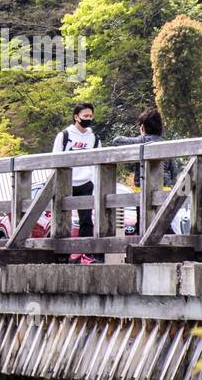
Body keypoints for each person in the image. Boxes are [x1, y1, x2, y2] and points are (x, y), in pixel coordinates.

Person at [53, 102, 101, 262]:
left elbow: (98, 162)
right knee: (62, 218)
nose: (88, 119)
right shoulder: (64, 136)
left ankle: (86, 253)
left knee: (86, 219)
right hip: (66, 182)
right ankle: (62, 254)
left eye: (90, 116)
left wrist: (95, 182)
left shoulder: (94, 138)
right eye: (85, 116)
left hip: (86, 182)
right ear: (76, 117)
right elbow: (54, 159)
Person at [112, 107, 175, 187]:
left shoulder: (141, 141)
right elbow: (174, 171)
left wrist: (142, 136)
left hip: (144, 190)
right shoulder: (167, 145)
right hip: (164, 188)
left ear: (142, 127)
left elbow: (117, 141)